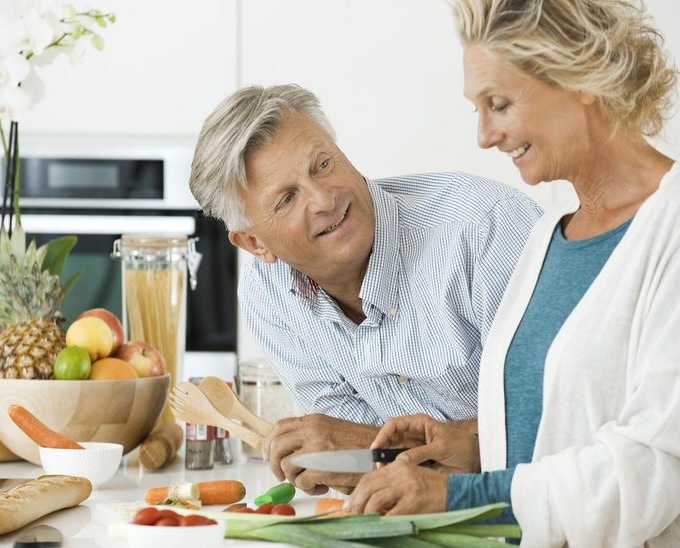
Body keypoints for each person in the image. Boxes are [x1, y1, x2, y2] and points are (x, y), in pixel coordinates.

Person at [346, 0, 680, 545]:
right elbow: (562, 435)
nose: (484, 135)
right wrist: (474, 450)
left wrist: (459, 497)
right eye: (478, 108)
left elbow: (655, 462)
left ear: (581, 76)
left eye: (498, 104)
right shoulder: (549, 235)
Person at [188, 84, 541, 493]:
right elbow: (362, 470)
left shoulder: (485, 230)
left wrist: (359, 444)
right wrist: (340, 456)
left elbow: (561, 424)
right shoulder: (268, 297)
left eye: (322, 164)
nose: (324, 198)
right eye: (286, 198)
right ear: (255, 244)